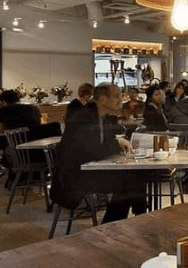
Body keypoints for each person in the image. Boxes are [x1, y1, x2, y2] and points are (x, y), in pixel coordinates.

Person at [52, 83, 150, 224]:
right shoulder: (84, 116)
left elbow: (103, 143)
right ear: (103, 100)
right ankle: (122, 225)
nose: (121, 100)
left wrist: (118, 141)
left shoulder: (97, 115)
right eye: (116, 96)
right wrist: (118, 143)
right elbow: (94, 150)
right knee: (129, 182)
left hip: (87, 170)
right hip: (74, 178)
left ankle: (135, 222)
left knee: (134, 177)